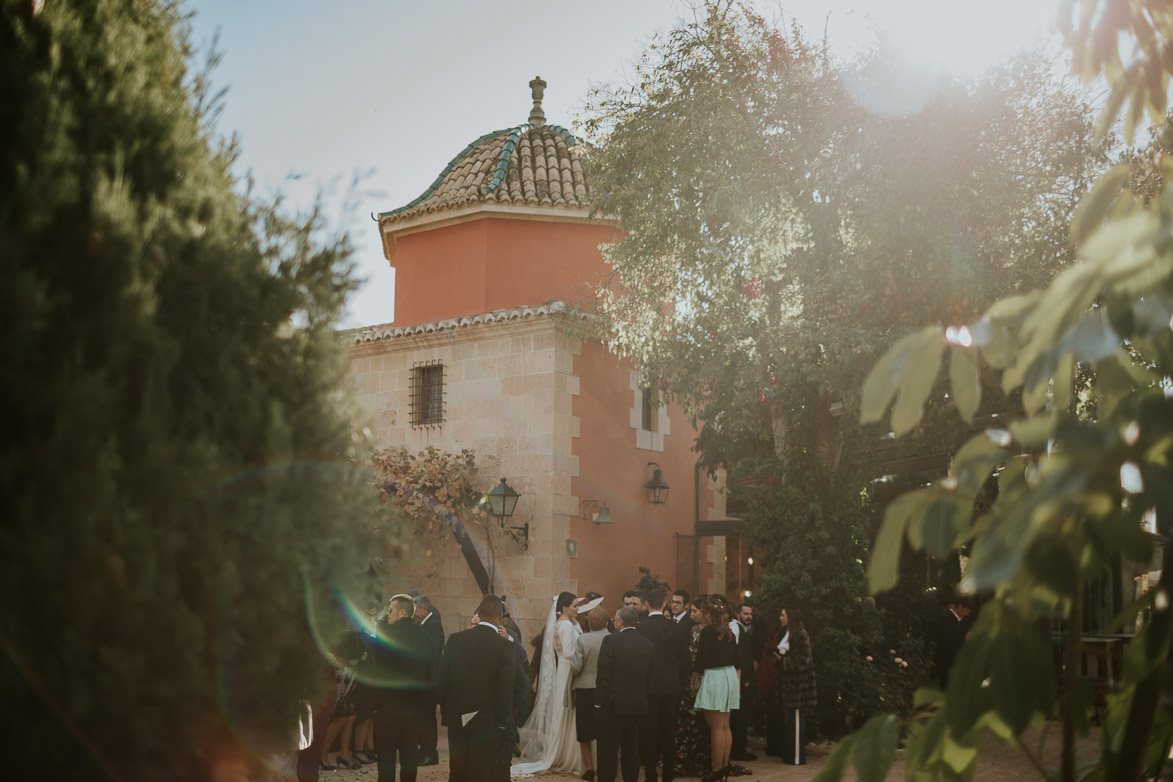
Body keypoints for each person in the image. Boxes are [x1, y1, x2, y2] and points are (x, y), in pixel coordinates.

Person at [436, 594, 516, 782]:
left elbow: (441, 682)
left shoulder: (455, 640)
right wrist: (502, 723)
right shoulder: (505, 647)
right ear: (500, 616)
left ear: (478, 613)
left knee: (457, 772)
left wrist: (449, 711)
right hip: (487, 723)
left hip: (457, 720)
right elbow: (505, 689)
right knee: (481, 773)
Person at [512, 592, 586, 777]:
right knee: (568, 712)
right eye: (575, 606)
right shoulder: (567, 625)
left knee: (563, 712)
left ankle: (561, 750)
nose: (578, 609)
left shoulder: (560, 623)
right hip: (569, 670)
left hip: (562, 670)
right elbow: (569, 651)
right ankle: (568, 754)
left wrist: (576, 625)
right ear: (564, 607)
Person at [368, 593, 433, 782]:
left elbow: (377, 674)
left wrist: (376, 705)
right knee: (409, 755)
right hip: (415, 709)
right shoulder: (426, 639)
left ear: (402, 612)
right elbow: (430, 675)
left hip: (388, 707)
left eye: (390, 611)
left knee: (386, 756)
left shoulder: (386, 637)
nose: (387, 614)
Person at [596, 606, 655, 782]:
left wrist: (599, 702)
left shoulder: (610, 641)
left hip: (613, 704)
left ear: (620, 622)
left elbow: (603, 675)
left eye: (615, 619)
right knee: (631, 747)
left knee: (608, 748)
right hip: (638, 704)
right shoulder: (648, 644)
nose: (614, 622)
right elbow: (649, 679)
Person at [636, 588, 689, 782]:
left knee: (649, 731)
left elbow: (638, 660)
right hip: (671, 686)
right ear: (665, 603)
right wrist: (680, 681)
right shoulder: (675, 627)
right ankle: (668, 775)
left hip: (649, 687)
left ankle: (651, 775)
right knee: (669, 731)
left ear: (647, 604)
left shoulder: (641, 628)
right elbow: (685, 659)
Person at [692, 601, 739, 782]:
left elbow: (702, 657)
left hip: (715, 677)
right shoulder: (729, 632)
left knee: (716, 727)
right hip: (729, 674)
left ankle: (716, 770)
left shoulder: (707, 632)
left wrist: (694, 677)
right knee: (725, 725)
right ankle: (725, 766)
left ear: (708, 615)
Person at [763, 607, 816, 765]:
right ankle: (791, 754)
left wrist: (781, 660)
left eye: (782, 615)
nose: (780, 618)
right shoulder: (785, 633)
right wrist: (774, 654)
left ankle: (797, 756)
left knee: (796, 719)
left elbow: (803, 660)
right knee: (791, 720)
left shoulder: (800, 634)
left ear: (790, 617)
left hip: (798, 686)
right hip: (788, 685)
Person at [570, 604, 610, 781]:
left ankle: (589, 769)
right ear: (606, 622)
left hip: (585, 688)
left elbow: (576, 667)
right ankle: (605, 766)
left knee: (584, 730)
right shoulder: (612, 638)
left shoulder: (583, 640)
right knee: (605, 729)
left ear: (590, 622)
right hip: (606, 688)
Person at [674, 597, 711, 777]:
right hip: (692, 676)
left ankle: (702, 761)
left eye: (695, 611)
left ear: (705, 612)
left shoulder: (710, 632)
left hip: (705, 677)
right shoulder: (692, 629)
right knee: (689, 719)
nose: (692, 615)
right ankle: (687, 759)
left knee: (704, 720)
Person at [412, 594, 445, 766]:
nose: (414, 613)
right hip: (422, 681)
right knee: (421, 717)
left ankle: (430, 752)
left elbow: (433, 655)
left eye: (416, 609)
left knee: (427, 718)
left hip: (428, 682)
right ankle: (423, 749)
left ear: (425, 609)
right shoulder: (422, 624)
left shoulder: (433, 626)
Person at [729, 603, 757, 762]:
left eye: (751, 614)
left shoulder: (744, 631)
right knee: (740, 717)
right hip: (741, 681)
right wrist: (745, 679)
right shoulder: (736, 629)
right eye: (745, 613)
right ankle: (738, 749)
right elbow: (739, 656)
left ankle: (739, 748)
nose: (749, 617)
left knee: (742, 716)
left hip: (743, 680)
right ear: (738, 614)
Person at [935, 597, 972, 689]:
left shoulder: (959, 620)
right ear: (960, 607)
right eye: (966, 611)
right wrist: (965, 637)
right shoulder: (947, 618)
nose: (967, 615)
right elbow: (946, 640)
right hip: (948, 663)